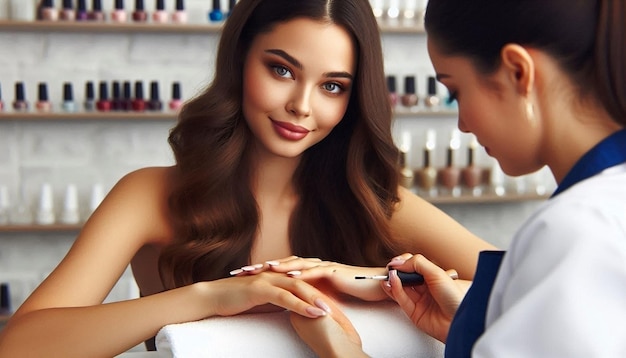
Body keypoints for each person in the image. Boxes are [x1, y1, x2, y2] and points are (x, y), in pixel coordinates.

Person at [0, 0, 493, 356]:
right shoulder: (150, 196)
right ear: (239, 60)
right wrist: (211, 296)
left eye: (332, 86)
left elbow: (531, 286)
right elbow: (22, 346)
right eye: (281, 70)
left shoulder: (374, 202)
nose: (302, 104)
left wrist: (365, 281)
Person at [287, 0, 626, 356]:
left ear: (517, 72)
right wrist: (473, 325)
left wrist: (341, 350)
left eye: (456, 91)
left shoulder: (576, 229)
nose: (462, 123)